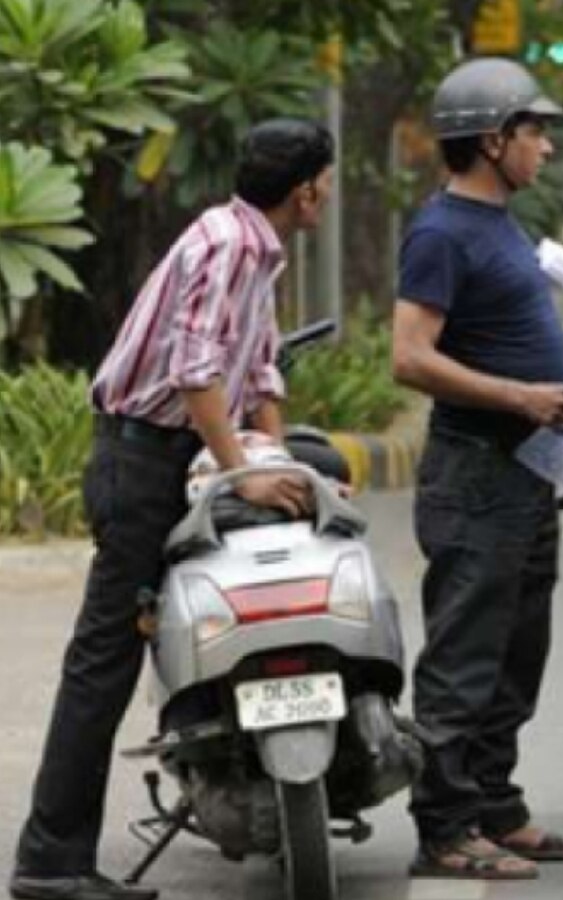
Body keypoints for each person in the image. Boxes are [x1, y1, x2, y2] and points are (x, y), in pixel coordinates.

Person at [9, 118, 334, 900]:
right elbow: (196, 373)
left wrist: (278, 464)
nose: (326, 191)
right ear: (308, 189)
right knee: (106, 659)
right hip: (141, 459)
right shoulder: (226, 244)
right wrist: (241, 476)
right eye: (326, 179)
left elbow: (256, 373)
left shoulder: (256, 248)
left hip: (168, 455)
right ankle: (50, 862)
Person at [391, 57, 563, 881]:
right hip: (474, 473)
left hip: (523, 476)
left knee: (518, 648)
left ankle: (496, 808)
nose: (545, 146)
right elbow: (409, 357)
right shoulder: (441, 232)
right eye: (534, 131)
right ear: (490, 139)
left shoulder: (501, 223)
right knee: (466, 653)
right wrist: (521, 397)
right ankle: (444, 827)